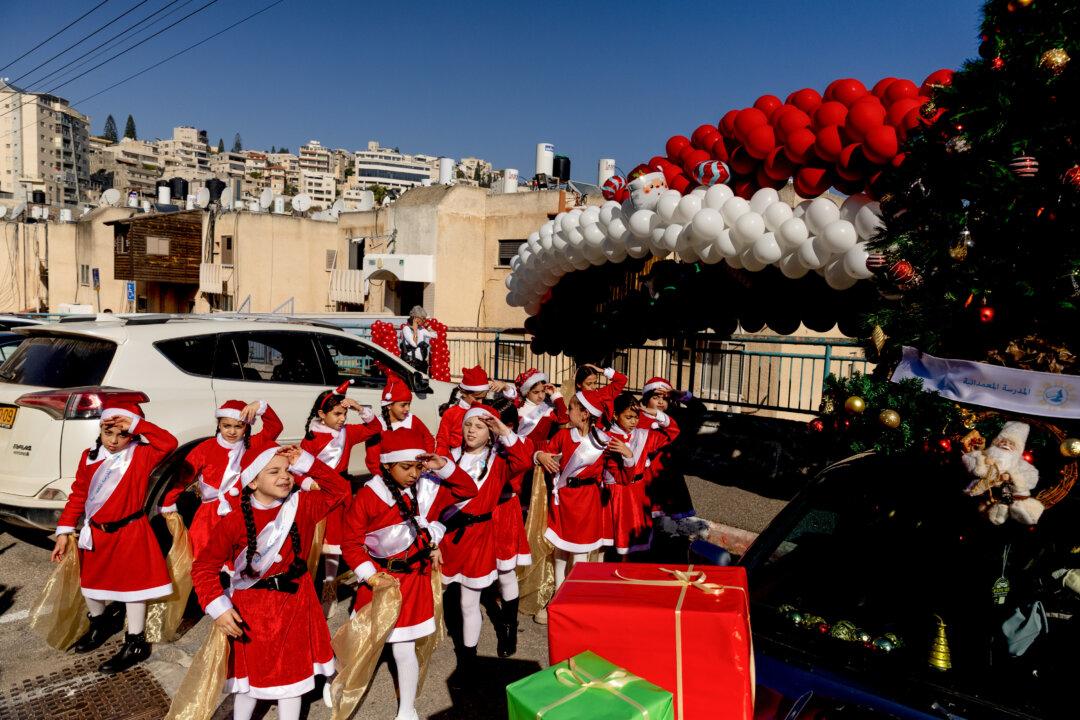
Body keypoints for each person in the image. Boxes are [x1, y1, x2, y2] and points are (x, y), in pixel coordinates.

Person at [190, 441, 347, 720]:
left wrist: (308, 462)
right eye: (273, 471)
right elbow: (203, 567)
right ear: (252, 482)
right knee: (249, 681)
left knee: (292, 679)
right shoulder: (233, 520)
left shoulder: (303, 505)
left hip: (296, 602)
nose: (285, 476)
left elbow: (340, 490)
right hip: (252, 608)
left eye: (288, 470)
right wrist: (218, 607)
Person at [341, 428, 479, 720]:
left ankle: (407, 709)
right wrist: (370, 575)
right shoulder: (368, 497)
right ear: (388, 465)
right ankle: (341, 684)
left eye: (418, 466)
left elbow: (469, 490)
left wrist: (443, 466)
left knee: (405, 648)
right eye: (406, 467)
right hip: (379, 580)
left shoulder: (428, 486)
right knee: (362, 644)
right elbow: (351, 544)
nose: (414, 473)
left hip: (413, 580)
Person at [50, 399, 179, 674]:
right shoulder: (89, 456)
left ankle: (135, 642)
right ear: (100, 430)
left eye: (122, 434)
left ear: (132, 434)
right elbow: (78, 496)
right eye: (108, 432)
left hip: (131, 531)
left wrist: (137, 424)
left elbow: (169, 443)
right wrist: (64, 530)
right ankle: (99, 624)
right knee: (92, 584)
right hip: (96, 533)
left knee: (134, 589)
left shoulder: (141, 454)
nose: (114, 440)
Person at [439, 402, 534, 661]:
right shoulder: (452, 455)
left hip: (495, 518)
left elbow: (523, 460)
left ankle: (508, 627)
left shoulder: (499, 458)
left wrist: (501, 430)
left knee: (505, 572)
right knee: (451, 593)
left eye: (479, 426)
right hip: (455, 531)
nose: (471, 430)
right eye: (468, 424)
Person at [160, 400, 282, 562]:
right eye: (226, 426)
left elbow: (275, 428)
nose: (232, 431)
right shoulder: (205, 448)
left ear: (246, 427)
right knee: (203, 553)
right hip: (209, 514)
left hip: (241, 510)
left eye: (238, 426)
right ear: (219, 425)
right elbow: (183, 477)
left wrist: (260, 407)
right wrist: (169, 501)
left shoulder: (252, 445)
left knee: (237, 554)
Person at [533, 388, 628, 593]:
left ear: (585, 414)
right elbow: (544, 450)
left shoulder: (603, 441)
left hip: (587, 501)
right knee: (560, 550)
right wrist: (540, 454)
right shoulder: (563, 435)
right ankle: (558, 593)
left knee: (580, 552)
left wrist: (628, 457)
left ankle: (574, 595)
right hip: (564, 499)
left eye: (571, 408)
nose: (567, 413)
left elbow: (620, 473)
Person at [300, 381, 381, 595]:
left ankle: (330, 588)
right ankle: (307, 587)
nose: (343, 418)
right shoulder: (310, 440)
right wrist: (309, 484)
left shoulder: (348, 433)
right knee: (314, 543)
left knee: (334, 544)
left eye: (345, 414)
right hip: (317, 495)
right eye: (337, 414)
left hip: (341, 495)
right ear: (321, 413)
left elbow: (375, 428)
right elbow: (296, 471)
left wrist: (360, 408)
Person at [605, 391, 678, 557]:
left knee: (640, 536)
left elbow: (673, 433)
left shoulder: (643, 435)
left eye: (636, 417)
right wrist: (628, 457)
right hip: (619, 493)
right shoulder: (607, 438)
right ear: (616, 415)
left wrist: (658, 415)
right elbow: (614, 473)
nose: (633, 422)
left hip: (639, 491)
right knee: (619, 538)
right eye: (629, 417)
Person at [435, 365, 517, 455]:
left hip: (483, 457)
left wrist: (505, 387)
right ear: (464, 393)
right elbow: (442, 439)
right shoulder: (451, 413)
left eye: (483, 398)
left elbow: (512, 402)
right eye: (477, 398)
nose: (480, 402)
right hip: (457, 458)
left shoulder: (487, 408)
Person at [364, 374, 435, 477]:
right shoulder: (378, 426)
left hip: (416, 474)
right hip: (389, 478)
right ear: (389, 405)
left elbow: (428, 439)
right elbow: (372, 460)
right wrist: (382, 477)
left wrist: (425, 463)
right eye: (403, 405)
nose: (407, 409)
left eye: (409, 404)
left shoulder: (412, 420)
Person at [400, 306, 437, 374]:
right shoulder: (406, 329)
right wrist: (415, 329)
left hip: (421, 363)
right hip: (411, 362)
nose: (424, 320)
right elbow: (414, 344)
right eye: (422, 318)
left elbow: (435, 335)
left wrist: (428, 327)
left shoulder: (421, 329)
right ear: (415, 318)